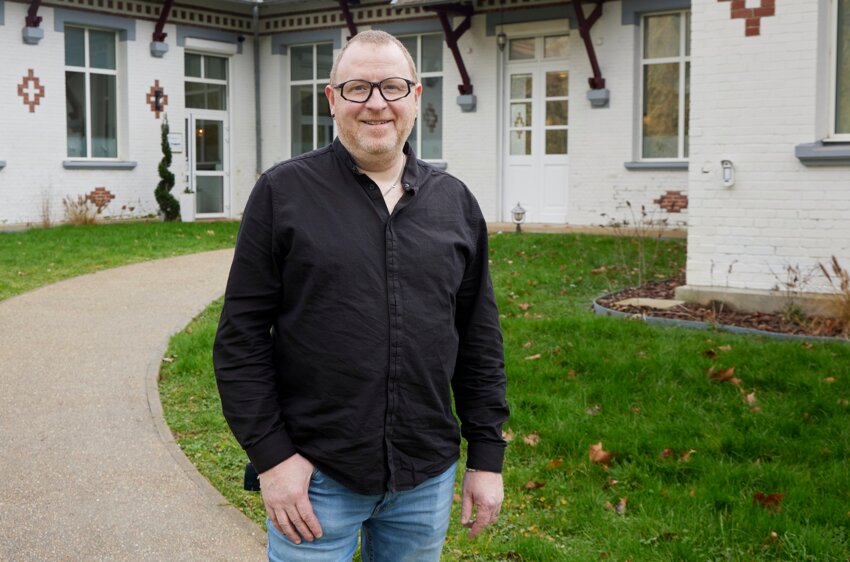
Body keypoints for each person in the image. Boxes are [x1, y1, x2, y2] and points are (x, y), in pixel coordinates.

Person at [213, 29, 509, 562]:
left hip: (425, 479)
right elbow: (240, 340)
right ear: (332, 100)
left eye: (393, 87)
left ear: (416, 98)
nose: (376, 104)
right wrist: (274, 460)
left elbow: (479, 340)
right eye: (357, 89)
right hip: (315, 479)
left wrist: (486, 457)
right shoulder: (283, 194)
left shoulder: (455, 204)